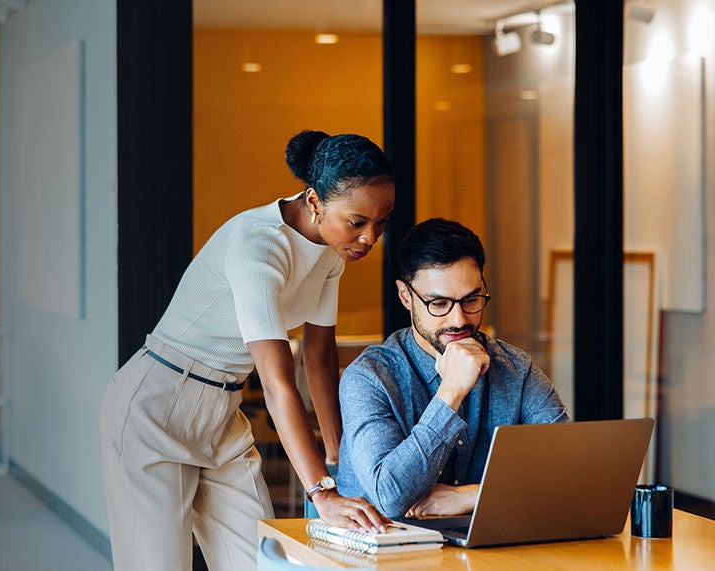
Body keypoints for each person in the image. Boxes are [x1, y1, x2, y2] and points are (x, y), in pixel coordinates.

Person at [100, 130, 394, 571]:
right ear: (314, 201)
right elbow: (277, 383)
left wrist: (338, 460)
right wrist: (322, 492)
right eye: (357, 222)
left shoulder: (333, 252)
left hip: (222, 412)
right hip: (155, 406)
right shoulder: (257, 244)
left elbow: (318, 357)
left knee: (262, 563)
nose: (370, 238)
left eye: (382, 222)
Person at [336, 218, 570, 519]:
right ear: (406, 297)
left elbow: (568, 472)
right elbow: (389, 497)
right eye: (439, 303)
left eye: (471, 300)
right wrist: (451, 391)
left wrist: (471, 495)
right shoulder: (370, 377)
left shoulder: (516, 369)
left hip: (481, 554)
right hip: (381, 558)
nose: (459, 319)